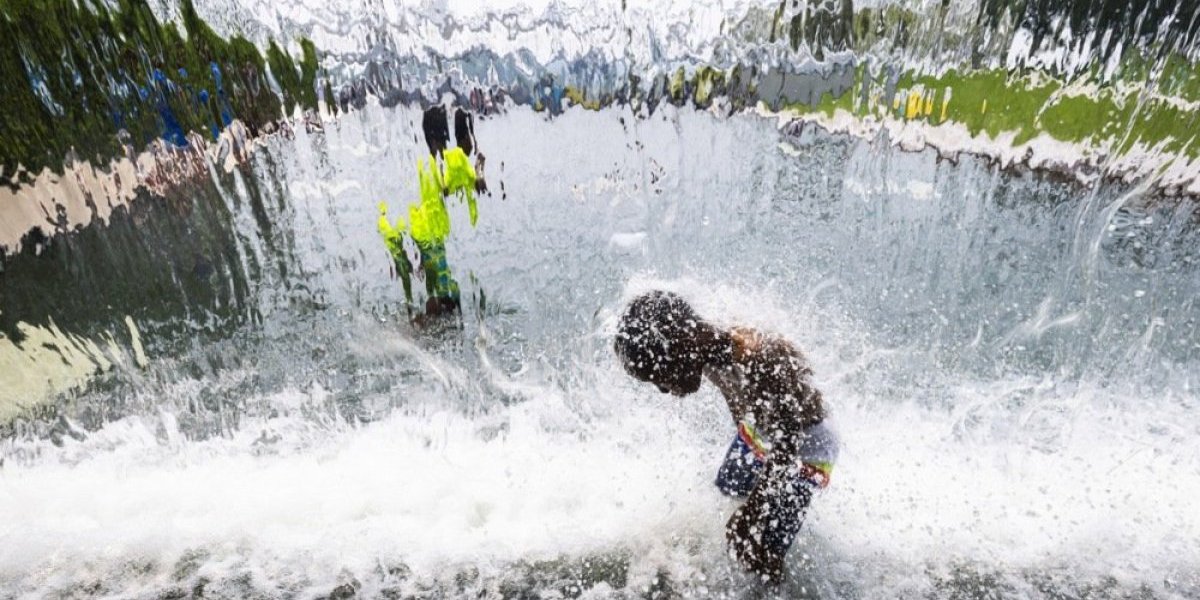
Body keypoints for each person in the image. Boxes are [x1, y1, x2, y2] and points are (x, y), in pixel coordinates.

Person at [612, 290, 838, 584]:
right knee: (728, 492)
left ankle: (771, 584)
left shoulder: (761, 358)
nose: (663, 389)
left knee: (763, 550)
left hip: (806, 448)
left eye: (659, 376)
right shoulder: (704, 343)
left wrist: (751, 512)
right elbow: (740, 401)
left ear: (680, 347)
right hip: (761, 430)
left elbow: (787, 447)